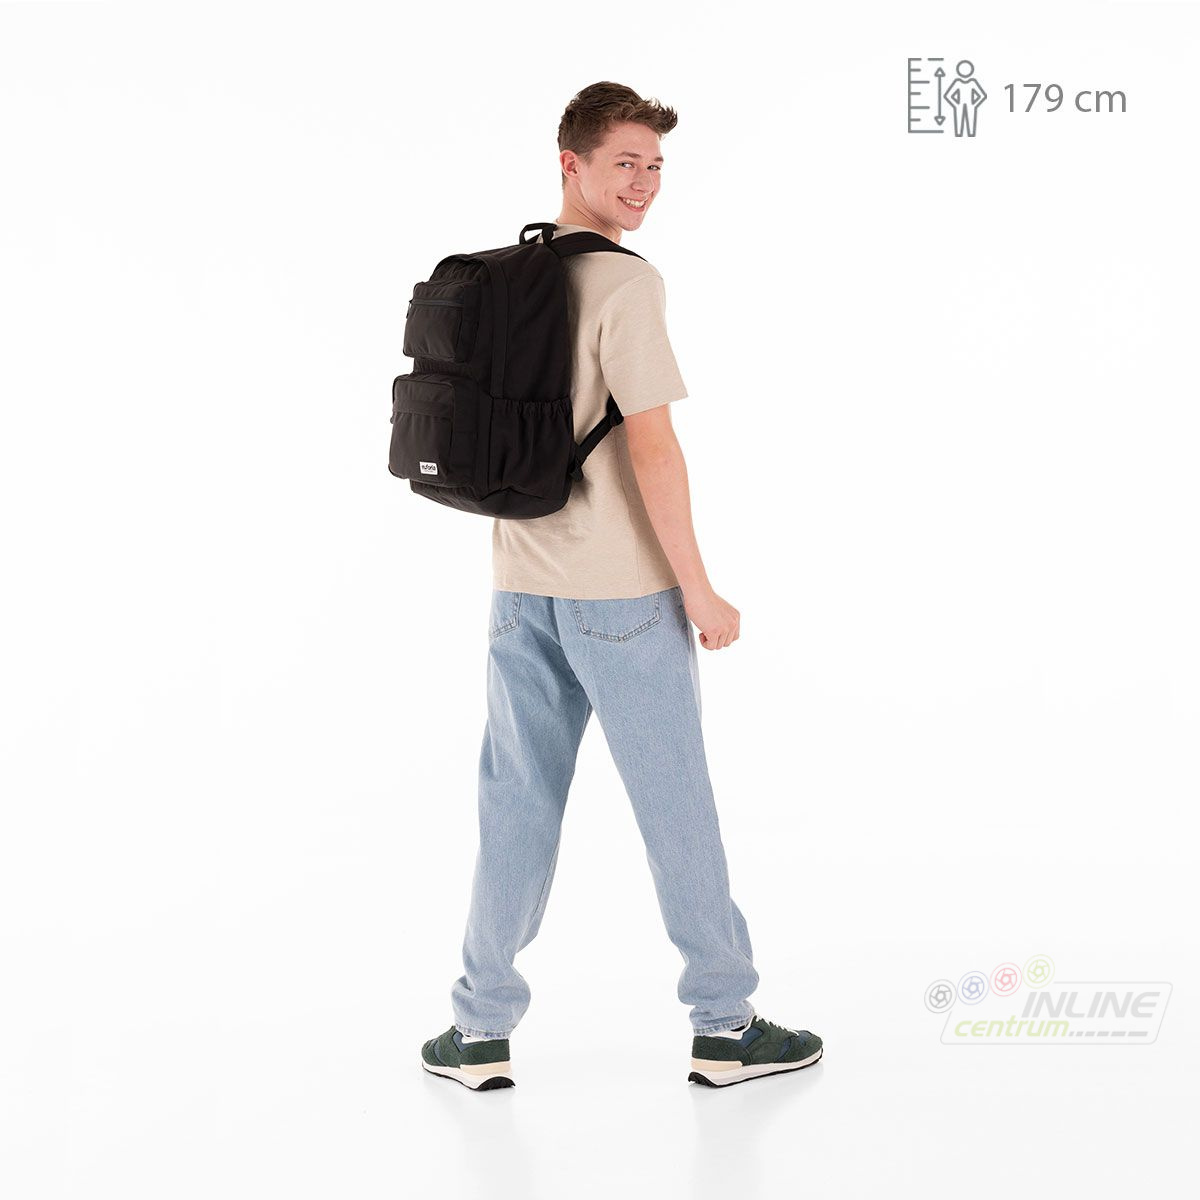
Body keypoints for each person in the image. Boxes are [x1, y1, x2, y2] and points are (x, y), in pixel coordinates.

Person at [420, 82, 823, 1090]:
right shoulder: (627, 285)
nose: (643, 183)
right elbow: (653, 448)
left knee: (514, 803)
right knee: (674, 804)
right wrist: (699, 589)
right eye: (624, 164)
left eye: (655, 166)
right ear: (573, 164)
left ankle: (478, 1031)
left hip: (519, 582)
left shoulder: (509, 275)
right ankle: (725, 1027)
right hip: (621, 597)